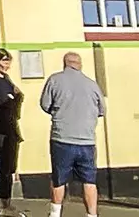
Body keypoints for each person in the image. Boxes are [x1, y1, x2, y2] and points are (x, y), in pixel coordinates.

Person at [39, 50, 106, 217]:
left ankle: (55, 214)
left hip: (62, 138)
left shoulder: (54, 80)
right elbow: (102, 110)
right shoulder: (92, 84)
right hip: (87, 141)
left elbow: (45, 105)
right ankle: (91, 214)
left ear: (65, 64)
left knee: (59, 178)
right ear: (80, 65)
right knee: (89, 181)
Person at [0, 49, 23, 216]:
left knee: (11, 165)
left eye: (8, 62)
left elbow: (18, 94)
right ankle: (4, 203)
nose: (7, 65)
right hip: (0, 128)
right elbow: (6, 98)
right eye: (4, 61)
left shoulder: (6, 79)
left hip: (11, 126)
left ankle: (8, 202)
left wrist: (14, 97)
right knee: (4, 165)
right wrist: (13, 97)